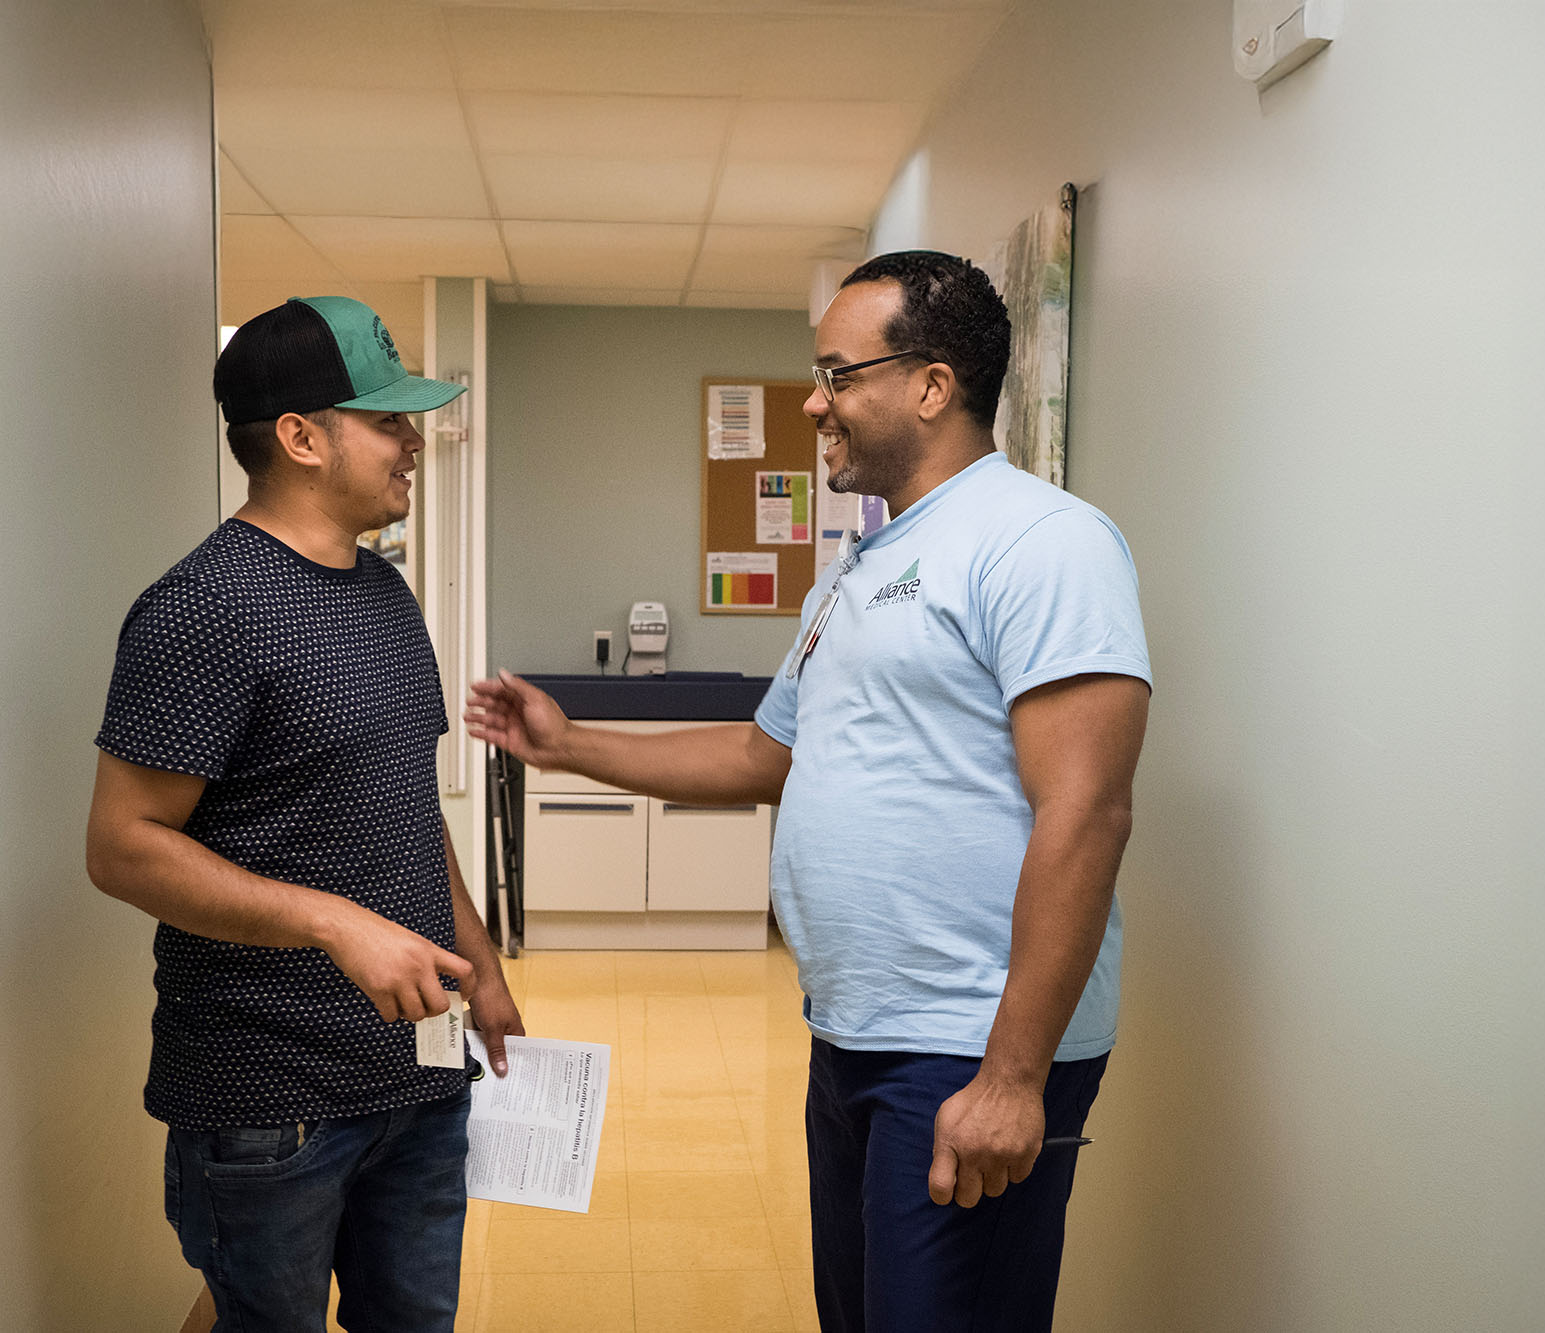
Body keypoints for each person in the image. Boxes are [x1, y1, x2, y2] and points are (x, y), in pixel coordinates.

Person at [467, 252, 1150, 1331]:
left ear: (930, 386)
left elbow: (1086, 809)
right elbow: (761, 756)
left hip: (967, 1042)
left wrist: (1013, 1077)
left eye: (836, 372)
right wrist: (566, 746)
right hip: (853, 1033)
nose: (811, 399)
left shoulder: (1042, 541)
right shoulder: (856, 570)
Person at [86, 296, 523, 1332]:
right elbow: (121, 847)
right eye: (387, 420)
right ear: (300, 437)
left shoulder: (382, 593)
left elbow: (399, 809)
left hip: (414, 1069)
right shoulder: (205, 605)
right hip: (268, 1093)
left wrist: (481, 959)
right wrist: (332, 922)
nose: (412, 441)